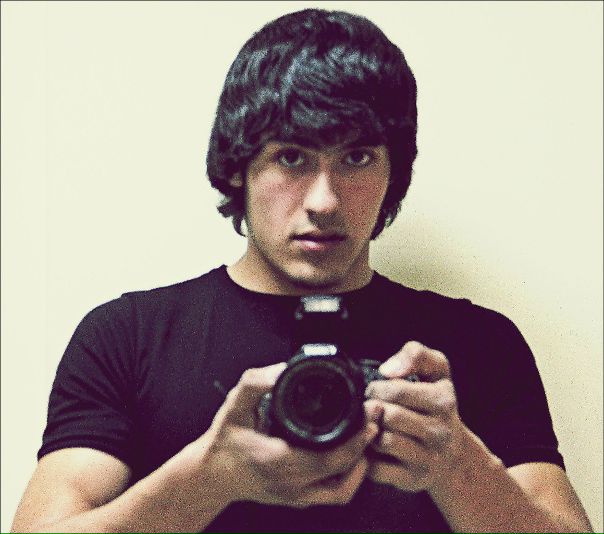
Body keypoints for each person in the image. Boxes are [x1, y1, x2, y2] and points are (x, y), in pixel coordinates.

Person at [12, 8, 593, 533]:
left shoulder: (477, 343)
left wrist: (457, 465)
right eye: (291, 157)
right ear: (238, 167)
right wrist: (207, 478)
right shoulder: (128, 337)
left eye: (357, 158)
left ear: (394, 173)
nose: (324, 201)